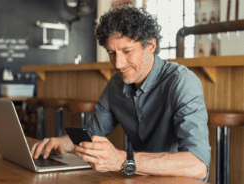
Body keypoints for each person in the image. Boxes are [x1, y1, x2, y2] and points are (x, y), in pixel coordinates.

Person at [31, 5, 211, 182]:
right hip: (140, 177)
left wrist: (122, 160)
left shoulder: (183, 82)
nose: (118, 64)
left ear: (151, 45)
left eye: (127, 51)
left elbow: (198, 165)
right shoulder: (116, 84)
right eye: (111, 53)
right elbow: (93, 133)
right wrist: (63, 143)